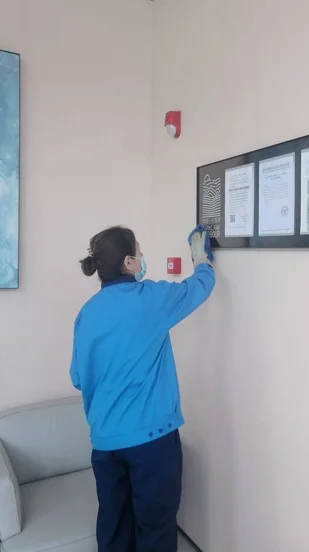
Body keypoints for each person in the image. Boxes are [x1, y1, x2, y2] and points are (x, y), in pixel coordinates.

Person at [70, 226, 215, 552]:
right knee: (155, 528)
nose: (143, 256)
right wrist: (202, 259)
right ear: (129, 262)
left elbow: (78, 377)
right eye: (139, 251)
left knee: (114, 524)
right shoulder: (150, 299)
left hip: (105, 444)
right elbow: (200, 287)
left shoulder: (87, 313)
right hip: (152, 443)